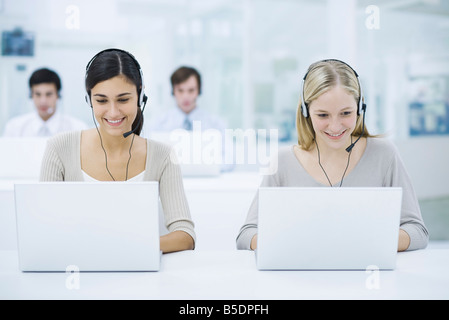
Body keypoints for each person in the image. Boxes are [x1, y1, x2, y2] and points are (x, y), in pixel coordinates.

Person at [236, 59, 428, 252]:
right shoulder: (283, 162)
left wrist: (365, 242)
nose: (335, 126)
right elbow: (246, 235)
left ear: (360, 109)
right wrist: (290, 243)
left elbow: (417, 231)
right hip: (300, 280)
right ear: (305, 111)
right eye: (323, 115)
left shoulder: (384, 155)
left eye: (345, 113)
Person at [39, 49, 195, 253]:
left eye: (123, 100)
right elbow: (42, 229)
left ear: (140, 96)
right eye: (101, 101)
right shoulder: (59, 148)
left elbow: (185, 235)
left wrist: (125, 246)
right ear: (89, 100)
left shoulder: (163, 156)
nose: (113, 112)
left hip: (143, 276)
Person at [3, 68, 88, 137]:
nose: (43, 101)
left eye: (48, 94)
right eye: (38, 94)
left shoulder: (78, 128)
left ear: (58, 95)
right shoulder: (14, 127)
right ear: (31, 95)